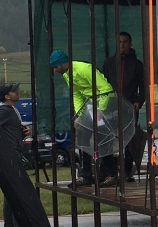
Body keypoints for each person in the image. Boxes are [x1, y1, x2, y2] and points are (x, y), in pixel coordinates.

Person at [49, 49, 117, 185]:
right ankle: (86, 175)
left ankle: (110, 174)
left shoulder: (85, 69)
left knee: (103, 137)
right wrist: (79, 115)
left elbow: (106, 89)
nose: (55, 70)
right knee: (82, 136)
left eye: (56, 67)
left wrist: (100, 111)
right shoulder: (67, 74)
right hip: (92, 106)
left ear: (63, 63)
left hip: (106, 103)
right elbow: (76, 94)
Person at [101, 31, 147, 182]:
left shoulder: (137, 64)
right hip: (111, 106)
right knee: (107, 137)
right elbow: (102, 84)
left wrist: (139, 101)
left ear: (130, 44)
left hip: (130, 106)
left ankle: (127, 172)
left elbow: (143, 86)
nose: (122, 45)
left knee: (128, 139)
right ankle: (110, 171)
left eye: (125, 42)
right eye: (119, 42)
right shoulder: (109, 63)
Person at [0, 83, 30, 227]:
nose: (17, 92)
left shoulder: (11, 110)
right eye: (14, 91)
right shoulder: (4, 111)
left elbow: (8, 131)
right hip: (12, 157)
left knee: (10, 195)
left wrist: (22, 133)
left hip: (12, 154)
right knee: (17, 194)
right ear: (7, 96)